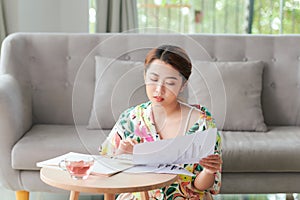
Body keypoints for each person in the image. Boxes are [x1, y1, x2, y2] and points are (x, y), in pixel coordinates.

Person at [99, 45, 222, 200]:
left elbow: (200, 186)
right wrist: (121, 154)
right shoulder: (131, 118)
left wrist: (208, 171)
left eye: (170, 83)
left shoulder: (203, 122)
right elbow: (107, 171)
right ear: (145, 76)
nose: (158, 89)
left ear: (183, 85)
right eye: (153, 79)